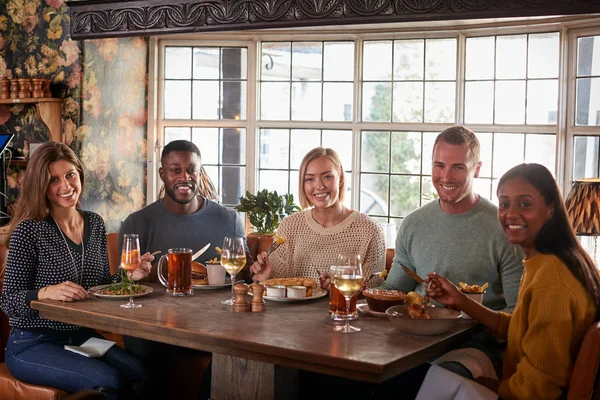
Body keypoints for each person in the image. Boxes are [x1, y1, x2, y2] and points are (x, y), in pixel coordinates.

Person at [426, 163, 600, 399]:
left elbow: (536, 389)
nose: (511, 214)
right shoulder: (546, 262)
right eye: (504, 204)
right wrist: (461, 301)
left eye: (525, 204)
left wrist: (487, 384)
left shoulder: (552, 280)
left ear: (551, 208)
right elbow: (520, 329)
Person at [0, 141, 152, 398]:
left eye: (70, 174)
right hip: (32, 342)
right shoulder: (29, 230)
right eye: (53, 180)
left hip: (81, 337)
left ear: (79, 174)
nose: (66, 185)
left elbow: (101, 286)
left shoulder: (94, 222)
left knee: (142, 372)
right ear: (42, 186)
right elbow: (8, 300)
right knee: (109, 380)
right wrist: (45, 292)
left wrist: (128, 277)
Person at [378, 126, 524, 388]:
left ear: (476, 169)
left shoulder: (502, 228)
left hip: (478, 345)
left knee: (442, 378)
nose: (446, 176)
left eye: (458, 167)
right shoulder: (413, 223)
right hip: (415, 341)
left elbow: (517, 315)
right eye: (439, 165)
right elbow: (394, 290)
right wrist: (355, 290)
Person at [119, 139, 248, 400]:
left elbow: (245, 277)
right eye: (175, 170)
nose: (184, 177)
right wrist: (135, 278)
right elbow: (121, 283)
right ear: (162, 174)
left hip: (213, 326)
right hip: (154, 329)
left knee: (239, 350)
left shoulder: (229, 219)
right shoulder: (137, 223)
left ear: (200, 173)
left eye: (192, 170)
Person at [250, 146, 386, 288]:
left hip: (341, 309)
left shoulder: (370, 230)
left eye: (327, 177)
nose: (319, 186)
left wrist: (338, 289)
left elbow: (373, 291)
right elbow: (275, 284)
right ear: (303, 185)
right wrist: (264, 278)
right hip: (291, 311)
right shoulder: (290, 226)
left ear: (340, 179)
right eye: (309, 179)